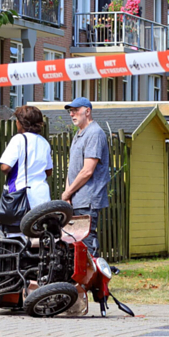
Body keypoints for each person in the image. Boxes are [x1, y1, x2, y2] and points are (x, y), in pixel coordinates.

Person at [61, 97, 110, 256]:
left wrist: (68, 193)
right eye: (70, 111)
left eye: (76, 110)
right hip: (75, 198)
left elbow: (87, 171)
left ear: (87, 111)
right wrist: (67, 193)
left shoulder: (95, 133)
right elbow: (73, 169)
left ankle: (94, 279)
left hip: (87, 198)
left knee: (87, 241)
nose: (72, 114)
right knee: (75, 242)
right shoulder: (79, 134)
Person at [0, 106, 53, 226]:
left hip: (21, 195)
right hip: (42, 196)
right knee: (38, 234)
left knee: (17, 235)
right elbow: (48, 172)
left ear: (21, 123)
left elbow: (5, 167)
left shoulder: (19, 139)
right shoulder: (44, 142)